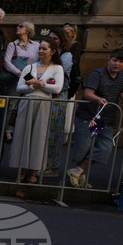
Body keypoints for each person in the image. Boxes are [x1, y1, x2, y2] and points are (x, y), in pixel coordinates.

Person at [67, 49, 123, 188]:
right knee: (83, 149)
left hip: (106, 120)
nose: (117, 63)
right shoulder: (97, 74)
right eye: (114, 60)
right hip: (88, 117)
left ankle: (77, 171)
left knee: (106, 148)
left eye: (121, 61)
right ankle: (81, 175)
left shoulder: (121, 78)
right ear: (109, 60)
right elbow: (87, 93)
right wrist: (98, 99)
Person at [9, 40, 63, 184]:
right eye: (39, 48)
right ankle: (22, 170)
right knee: (22, 135)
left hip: (44, 104)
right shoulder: (29, 68)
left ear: (52, 51)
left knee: (39, 137)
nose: (40, 51)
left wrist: (39, 84)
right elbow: (20, 88)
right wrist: (35, 86)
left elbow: (57, 88)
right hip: (27, 103)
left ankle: (34, 172)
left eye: (44, 48)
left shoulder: (56, 68)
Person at [43, 27, 73, 177]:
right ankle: (38, 164)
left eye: (55, 39)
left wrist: (41, 79)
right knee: (41, 130)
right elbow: (36, 69)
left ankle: (52, 166)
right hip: (43, 93)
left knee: (54, 131)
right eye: (50, 38)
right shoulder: (43, 51)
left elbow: (55, 74)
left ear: (61, 41)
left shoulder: (66, 56)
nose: (52, 41)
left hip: (58, 95)